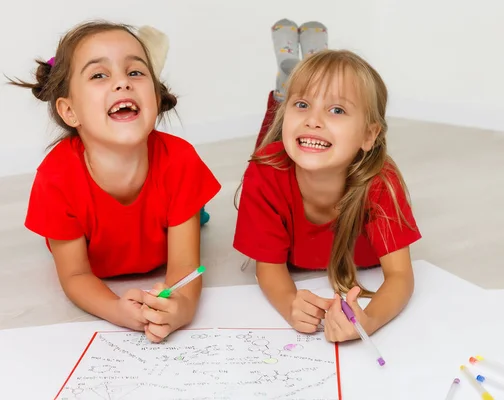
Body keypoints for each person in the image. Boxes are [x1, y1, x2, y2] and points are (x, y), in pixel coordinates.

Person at [8, 21, 221, 343]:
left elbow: (185, 265)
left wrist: (184, 304)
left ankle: (192, 210)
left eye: (135, 72)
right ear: (69, 111)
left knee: (193, 212)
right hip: (87, 231)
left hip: (168, 202)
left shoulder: (180, 159)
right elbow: (76, 274)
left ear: (155, 95)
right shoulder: (55, 179)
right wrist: (115, 309)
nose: (122, 82)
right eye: (99, 75)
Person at [233, 19, 422, 343]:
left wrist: (369, 319)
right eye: (302, 105)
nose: (313, 119)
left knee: (301, 124)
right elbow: (268, 268)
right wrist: (290, 304)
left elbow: (400, 275)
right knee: (270, 139)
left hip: (311, 154)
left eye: (336, 109)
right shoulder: (265, 171)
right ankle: (287, 86)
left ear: (368, 134)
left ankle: (302, 77)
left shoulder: (380, 181)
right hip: (278, 156)